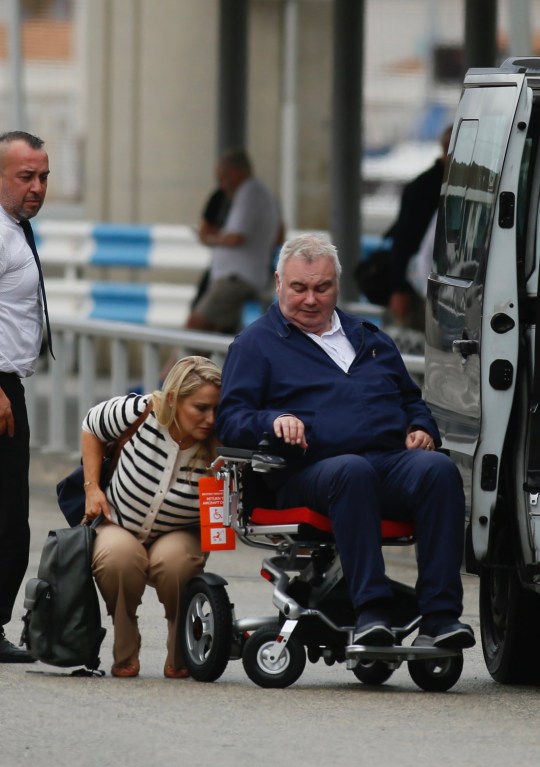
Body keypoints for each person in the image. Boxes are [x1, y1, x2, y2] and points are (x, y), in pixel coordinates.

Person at [216, 233, 475, 650]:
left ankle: (441, 618)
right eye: (299, 288)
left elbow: (412, 400)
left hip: (386, 462)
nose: (311, 300)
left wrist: (420, 428)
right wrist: (274, 419)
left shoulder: (370, 339)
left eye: (322, 288)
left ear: (337, 285)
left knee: (439, 470)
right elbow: (229, 419)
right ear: (279, 282)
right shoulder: (256, 345)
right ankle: (371, 611)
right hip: (307, 472)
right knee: (351, 471)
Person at [81, 356, 221, 678]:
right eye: (201, 408)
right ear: (173, 399)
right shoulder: (141, 411)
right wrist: (92, 489)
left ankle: (181, 652)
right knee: (117, 558)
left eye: (216, 408)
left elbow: (222, 513)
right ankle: (125, 650)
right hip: (120, 523)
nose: (210, 418)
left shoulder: (220, 441)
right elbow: (91, 424)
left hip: (179, 531)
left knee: (176, 564)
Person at [0, 131, 51, 663]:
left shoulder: (17, 229)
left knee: (9, 518)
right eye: (24, 176)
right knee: (9, 521)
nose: (36, 187)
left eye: (43, 177)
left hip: (9, 384)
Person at [185, 148, 282, 335]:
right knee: (218, 333)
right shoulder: (258, 194)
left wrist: (210, 238)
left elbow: (236, 236)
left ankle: (184, 365)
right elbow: (279, 232)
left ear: (235, 172)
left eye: (222, 178)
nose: (221, 185)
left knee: (195, 326)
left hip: (235, 279)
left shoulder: (249, 192)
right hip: (237, 276)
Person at [386, 125, 452, 329]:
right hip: (417, 284)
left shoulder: (441, 183)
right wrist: (399, 288)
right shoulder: (424, 187)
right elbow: (404, 239)